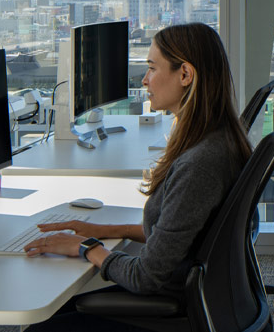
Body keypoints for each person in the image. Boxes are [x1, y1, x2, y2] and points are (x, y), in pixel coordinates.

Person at [22, 22, 252, 330]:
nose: (145, 81)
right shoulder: (218, 139)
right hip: (192, 294)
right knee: (59, 302)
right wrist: (100, 230)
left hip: (171, 307)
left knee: (44, 318)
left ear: (185, 74)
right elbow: (181, 231)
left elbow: (145, 276)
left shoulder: (200, 164)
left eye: (153, 69)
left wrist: (86, 247)